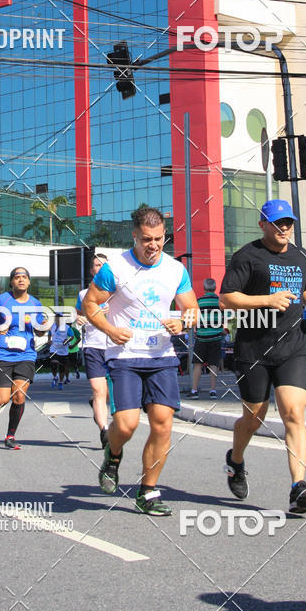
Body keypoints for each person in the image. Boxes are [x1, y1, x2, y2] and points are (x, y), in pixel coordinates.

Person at [84, 205, 199, 516]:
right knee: (127, 423)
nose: (154, 245)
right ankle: (114, 452)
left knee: (162, 425)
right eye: (147, 239)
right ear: (134, 235)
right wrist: (109, 329)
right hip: (125, 355)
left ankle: (147, 491)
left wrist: (183, 322)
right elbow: (90, 304)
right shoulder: (116, 268)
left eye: (160, 239)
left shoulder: (175, 269)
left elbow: (191, 307)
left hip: (161, 355)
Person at [219, 199, 306, 514]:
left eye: (288, 223)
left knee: (293, 414)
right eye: (278, 222)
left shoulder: (300, 257)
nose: (284, 228)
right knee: (254, 418)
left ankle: (298, 487)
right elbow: (227, 299)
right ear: (263, 224)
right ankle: (235, 460)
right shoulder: (247, 256)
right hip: (254, 348)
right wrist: (267, 300)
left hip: (293, 345)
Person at [0, 267, 45, 449]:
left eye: (24, 277)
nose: (21, 280)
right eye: (17, 277)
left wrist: (44, 327)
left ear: (29, 281)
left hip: (26, 355)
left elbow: (40, 332)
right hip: (3, 354)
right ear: (11, 281)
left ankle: (10, 435)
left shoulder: (35, 304)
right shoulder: (1, 300)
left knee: (19, 396)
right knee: (3, 399)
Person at [76, 253, 110, 447]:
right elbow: (79, 315)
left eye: (103, 265)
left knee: (107, 393)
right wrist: (79, 319)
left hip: (115, 346)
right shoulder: (83, 294)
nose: (100, 267)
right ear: (92, 270)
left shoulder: (118, 292)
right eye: (96, 265)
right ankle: (104, 430)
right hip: (93, 345)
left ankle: (96, 405)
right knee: (98, 389)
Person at [187, 278, 223, 398]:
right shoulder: (219, 301)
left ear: (204, 288)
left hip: (201, 337)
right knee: (213, 364)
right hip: (216, 337)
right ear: (215, 288)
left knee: (197, 364)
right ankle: (213, 391)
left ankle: (194, 391)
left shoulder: (199, 302)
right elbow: (226, 317)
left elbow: (194, 318)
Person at [49, 318, 79, 390]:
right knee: (53, 363)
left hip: (64, 349)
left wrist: (67, 341)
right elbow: (49, 333)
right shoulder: (53, 326)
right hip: (54, 348)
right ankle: (55, 377)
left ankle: (61, 382)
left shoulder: (67, 328)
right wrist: (48, 340)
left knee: (62, 367)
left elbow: (72, 337)